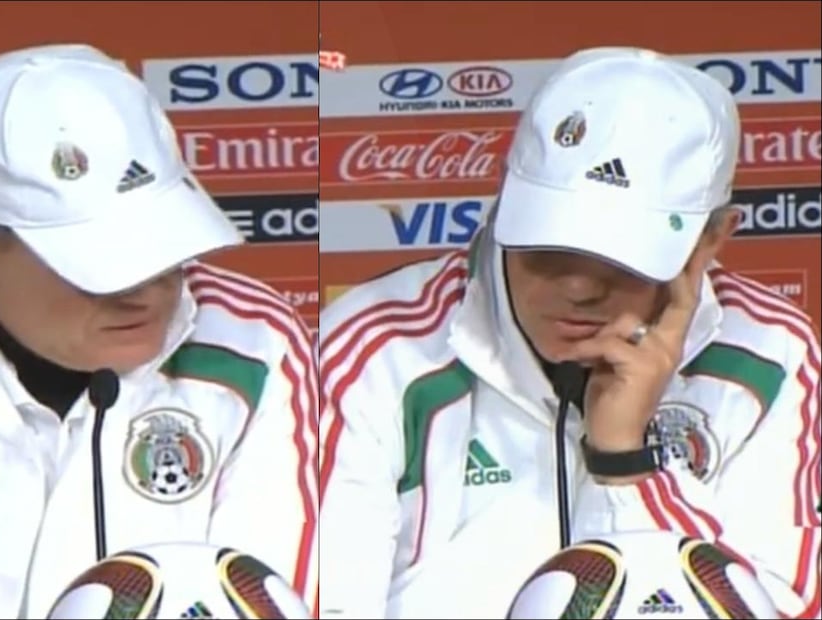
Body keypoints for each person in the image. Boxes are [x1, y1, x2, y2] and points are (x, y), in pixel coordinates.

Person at [0, 44, 318, 620]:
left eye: (165, 248)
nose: (145, 290)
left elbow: (266, 606)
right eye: (100, 265)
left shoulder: (255, 341)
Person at [317, 46, 820, 619]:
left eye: (620, 260)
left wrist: (625, 461)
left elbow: (781, 606)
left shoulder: (770, 351)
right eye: (549, 248)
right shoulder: (375, 346)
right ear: (504, 200)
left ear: (710, 240)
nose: (579, 288)